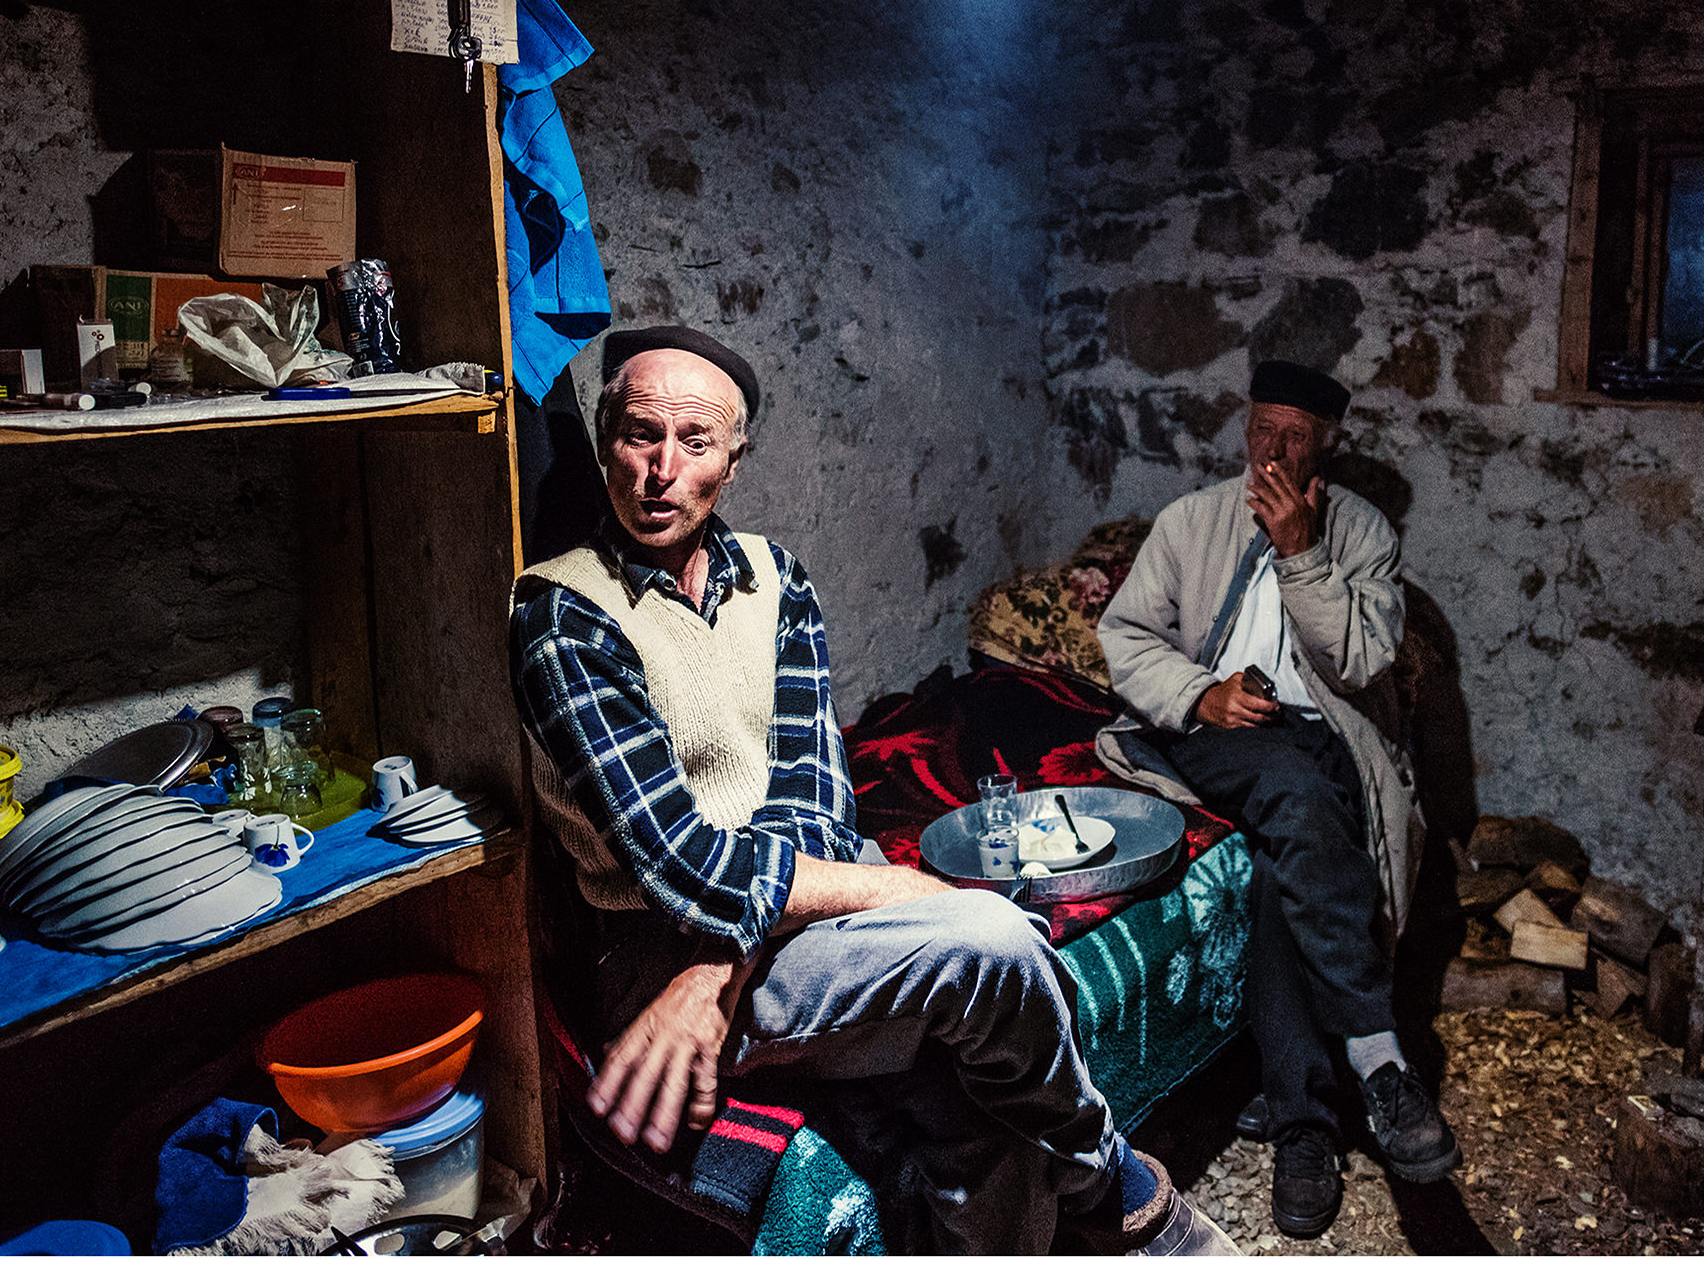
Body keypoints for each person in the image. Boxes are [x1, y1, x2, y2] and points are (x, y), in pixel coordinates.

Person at [510, 324, 1236, 1256]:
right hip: (653, 945)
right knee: (994, 939)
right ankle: (1108, 1179)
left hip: (776, 918)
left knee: (983, 1110)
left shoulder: (776, 579)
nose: (661, 470)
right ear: (606, 441)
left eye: (694, 442)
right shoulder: (560, 611)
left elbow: (816, 800)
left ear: (733, 461)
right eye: (639, 435)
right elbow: (681, 863)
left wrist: (720, 968)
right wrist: (898, 887)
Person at [1095, 359, 1458, 1239]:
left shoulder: (1361, 533)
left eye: (1297, 437)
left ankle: (1302, 1126)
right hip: (1211, 732)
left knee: (1272, 867)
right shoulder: (1191, 521)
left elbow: (1359, 664)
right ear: (1245, 427)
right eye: (1264, 428)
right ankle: (1377, 1054)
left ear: (1326, 444)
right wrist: (1200, 694)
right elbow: (1127, 635)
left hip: (1322, 737)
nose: (1275, 450)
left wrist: (1302, 554)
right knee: (1291, 788)